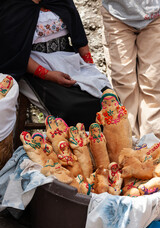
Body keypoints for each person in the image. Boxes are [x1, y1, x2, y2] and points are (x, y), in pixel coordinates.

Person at [0, 0, 111, 130]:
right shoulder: (11, 6)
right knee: (69, 106)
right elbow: (15, 53)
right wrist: (49, 75)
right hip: (32, 68)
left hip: (69, 61)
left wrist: (90, 67)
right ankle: (74, 145)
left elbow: (80, 39)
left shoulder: (60, 1)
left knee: (107, 96)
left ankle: (106, 144)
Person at [101, 1, 160, 140]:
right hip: (117, 15)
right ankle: (127, 141)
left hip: (155, 15)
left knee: (153, 80)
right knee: (123, 81)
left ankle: (152, 142)